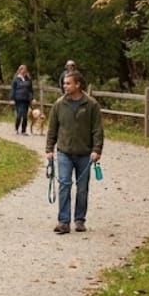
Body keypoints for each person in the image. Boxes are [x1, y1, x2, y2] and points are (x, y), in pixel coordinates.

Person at [45, 71, 104, 234]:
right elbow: (52, 129)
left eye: (68, 83)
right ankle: (63, 221)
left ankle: (79, 219)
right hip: (64, 152)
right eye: (64, 83)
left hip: (85, 153)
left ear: (77, 84)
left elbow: (97, 129)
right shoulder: (59, 104)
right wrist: (49, 149)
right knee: (64, 184)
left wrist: (97, 149)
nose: (65, 86)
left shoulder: (91, 105)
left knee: (82, 188)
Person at [11, 64, 34, 135]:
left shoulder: (28, 79)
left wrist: (32, 98)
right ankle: (16, 128)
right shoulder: (16, 79)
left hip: (26, 100)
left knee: (25, 115)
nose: (24, 72)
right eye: (23, 70)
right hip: (18, 100)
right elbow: (13, 90)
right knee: (19, 115)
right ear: (20, 71)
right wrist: (12, 99)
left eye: (25, 71)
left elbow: (30, 90)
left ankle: (23, 130)